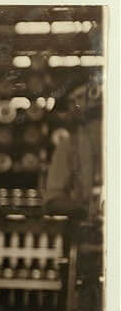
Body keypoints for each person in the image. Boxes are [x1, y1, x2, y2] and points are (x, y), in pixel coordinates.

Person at [43, 70, 103, 218]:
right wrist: (86, 209)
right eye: (72, 101)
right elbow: (52, 202)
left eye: (83, 97)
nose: (77, 105)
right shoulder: (68, 146)